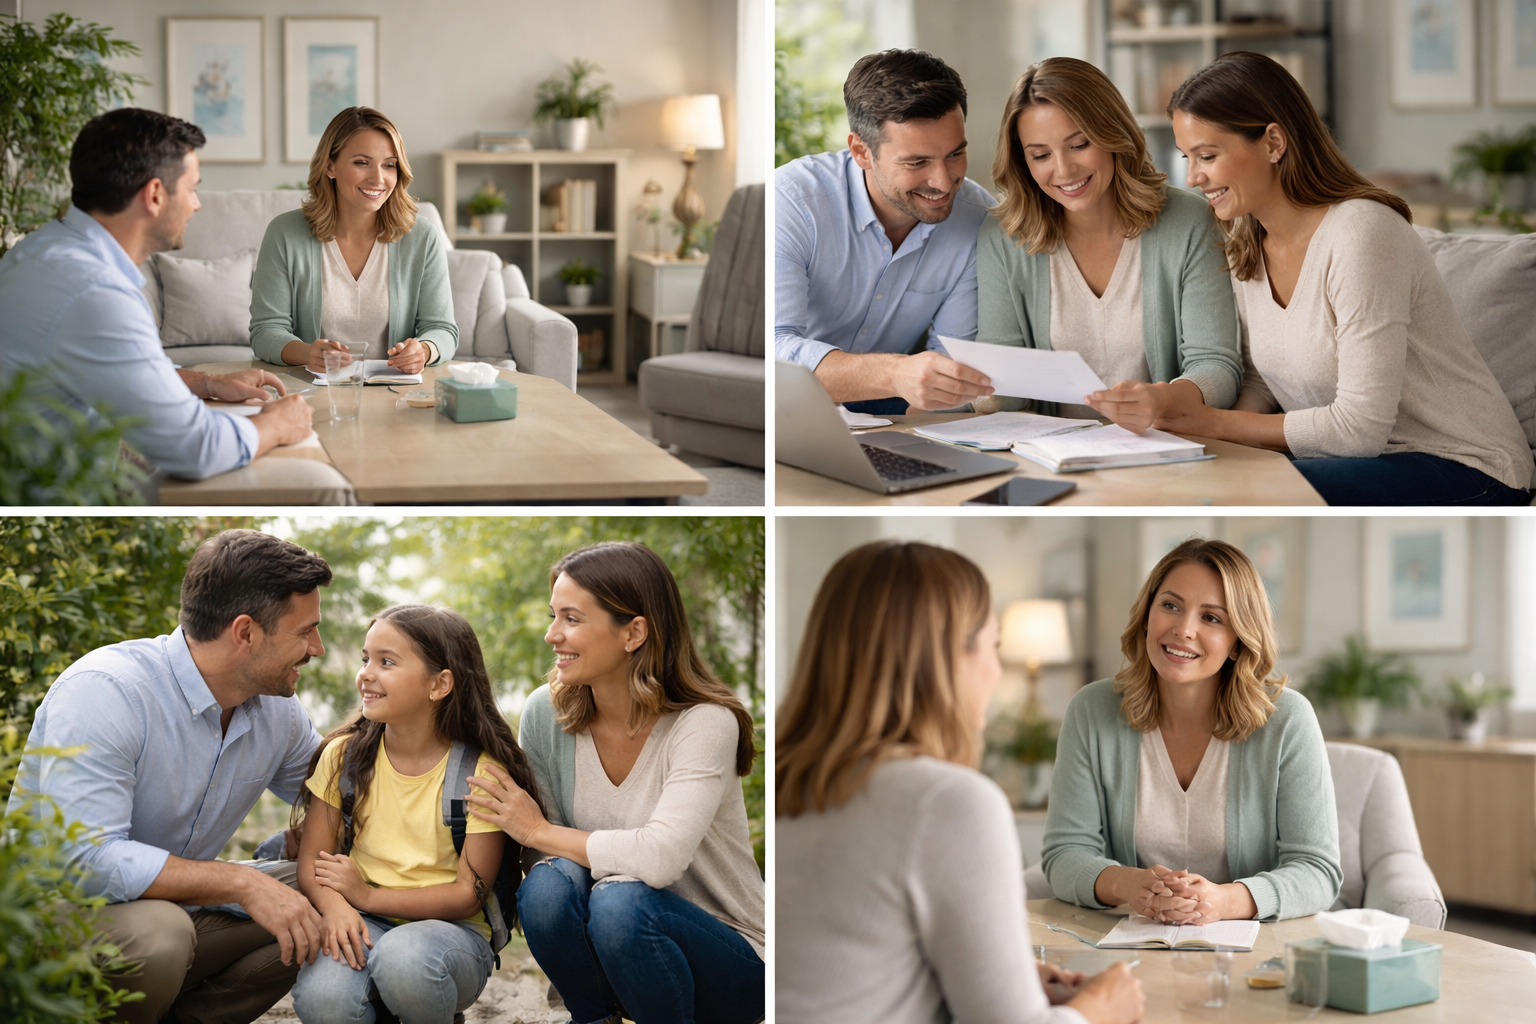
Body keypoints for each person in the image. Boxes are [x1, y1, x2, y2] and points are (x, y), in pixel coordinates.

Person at [776, 540, 1144, 1024]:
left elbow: (850, 975)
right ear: (947, 658)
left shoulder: (783, 779)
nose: (995, 668)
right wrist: (1100, 1008)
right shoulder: (946, 802)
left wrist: (996, 975)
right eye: (992, 646)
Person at [1153, 52, 1532, 505]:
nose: (1194, 177)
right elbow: (1261, 379)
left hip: (1466, 466)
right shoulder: (1247, 237)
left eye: (1207, 155)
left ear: (1274, 142)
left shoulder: (1362, 233)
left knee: (1262, 492)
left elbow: (1360, 430)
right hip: (1357, 463)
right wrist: (1202, 436)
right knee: (1196, 483)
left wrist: (1211, 424)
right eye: (1187, 158)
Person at [7, 530, 333, 1024]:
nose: (319, 647)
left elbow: (347, 796)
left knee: (320, 886)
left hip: (173, 913)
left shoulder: (276, 714)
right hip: (49, 925)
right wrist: (243, 885)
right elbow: (84, 861)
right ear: (245, 633)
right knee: (161, 934)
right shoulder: (108, 691)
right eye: (305, 631)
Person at [462, 542, 764, 1024]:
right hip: (613, 951)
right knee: (545, 889)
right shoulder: (547, 713)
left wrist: (535, 829)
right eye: (552, 616)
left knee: (621, 901)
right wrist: (536, 838)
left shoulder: (705, 723)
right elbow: (548, 863)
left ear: (634, 632)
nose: (551, 635)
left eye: (572, 619)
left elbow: (658, 859)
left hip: (732, 963)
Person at [0, 109, 313, 480]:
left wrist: (205, 383)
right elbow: (195, 449)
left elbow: (113, 363)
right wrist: (277, 425)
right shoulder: (96, 292)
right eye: (193, 188)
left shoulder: (40, 250)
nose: (197, 204)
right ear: (154, 195)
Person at [1043, 538, 1341, 924]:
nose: (1183, 629)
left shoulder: (1288, 719)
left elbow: (1318, 871)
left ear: (1238, 642)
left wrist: (1225, 902)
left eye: (1212, 618)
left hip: (1259, 954)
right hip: (1131, 947)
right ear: (1148, 614)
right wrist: (1129, 885)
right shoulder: (1091, 711)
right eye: (1170, 605)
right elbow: (1065, 853)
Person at [289, 605, 540, 1024]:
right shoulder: (343, 757)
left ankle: (428, 1005)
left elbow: (468, 894)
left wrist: (368, 896)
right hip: (363, 920)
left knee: (404, 960)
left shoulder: (480, 773)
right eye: (365, 659)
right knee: (325, 999)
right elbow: (313, 862)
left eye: (386, 662)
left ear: (439, 684)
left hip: (451, 934)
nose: (367, 673)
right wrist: (337, 908)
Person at [977, 57, 1241, 429]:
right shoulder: (1003, 238)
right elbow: (1004, 384)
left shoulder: (1188, 221)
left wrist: (1163, 399)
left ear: (1113, 134)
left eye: (1079, 144)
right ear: (1023, 162)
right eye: (1040, 155)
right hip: (1052, 456)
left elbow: (1217, 367)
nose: (1064, 170)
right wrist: (964, 395)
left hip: (1160, 449)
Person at [776, 49, 997, 414]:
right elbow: (775, 350)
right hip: (788, 413)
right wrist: (895, 373)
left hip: (894, 419)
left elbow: (951, 368)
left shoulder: (978, 220)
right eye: (917, 162)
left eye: (955, 154)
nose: (943, 182)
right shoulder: (793, 201)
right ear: (861, 151)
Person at [250, 106, 457, 376]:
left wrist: (424, 350)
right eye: (362, 162)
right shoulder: (285, 233)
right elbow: (265, 332)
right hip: (312, 394)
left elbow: (443, 329)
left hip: (395, 395)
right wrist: (306, 352)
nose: (378, 178)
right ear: (330, 166)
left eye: (389, 165)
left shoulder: (422, 236)